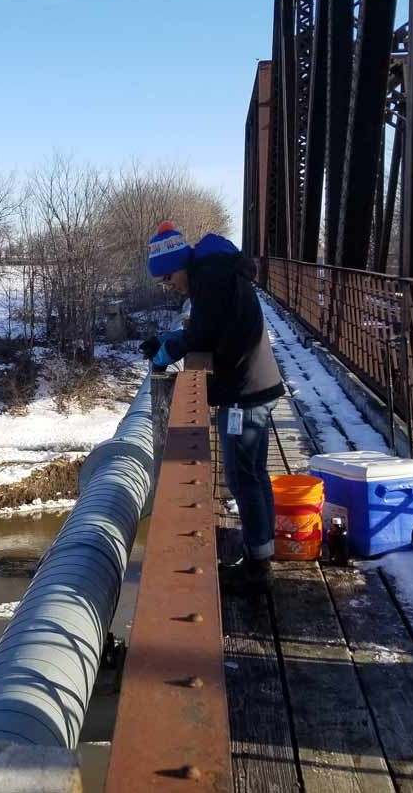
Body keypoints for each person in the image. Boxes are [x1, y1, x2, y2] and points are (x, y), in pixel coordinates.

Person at [141, 221, 284, 594]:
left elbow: (202, 333)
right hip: (253, 383)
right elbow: (207, 329)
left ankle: (258, 567)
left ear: (179, 265)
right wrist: (175, 339)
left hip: (244, 392)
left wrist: (172, 347)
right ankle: (263, 549)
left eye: (169, 278)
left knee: (241, 478)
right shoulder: (214, 271)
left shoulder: (212, 278)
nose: (170, 286)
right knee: (254, 474)